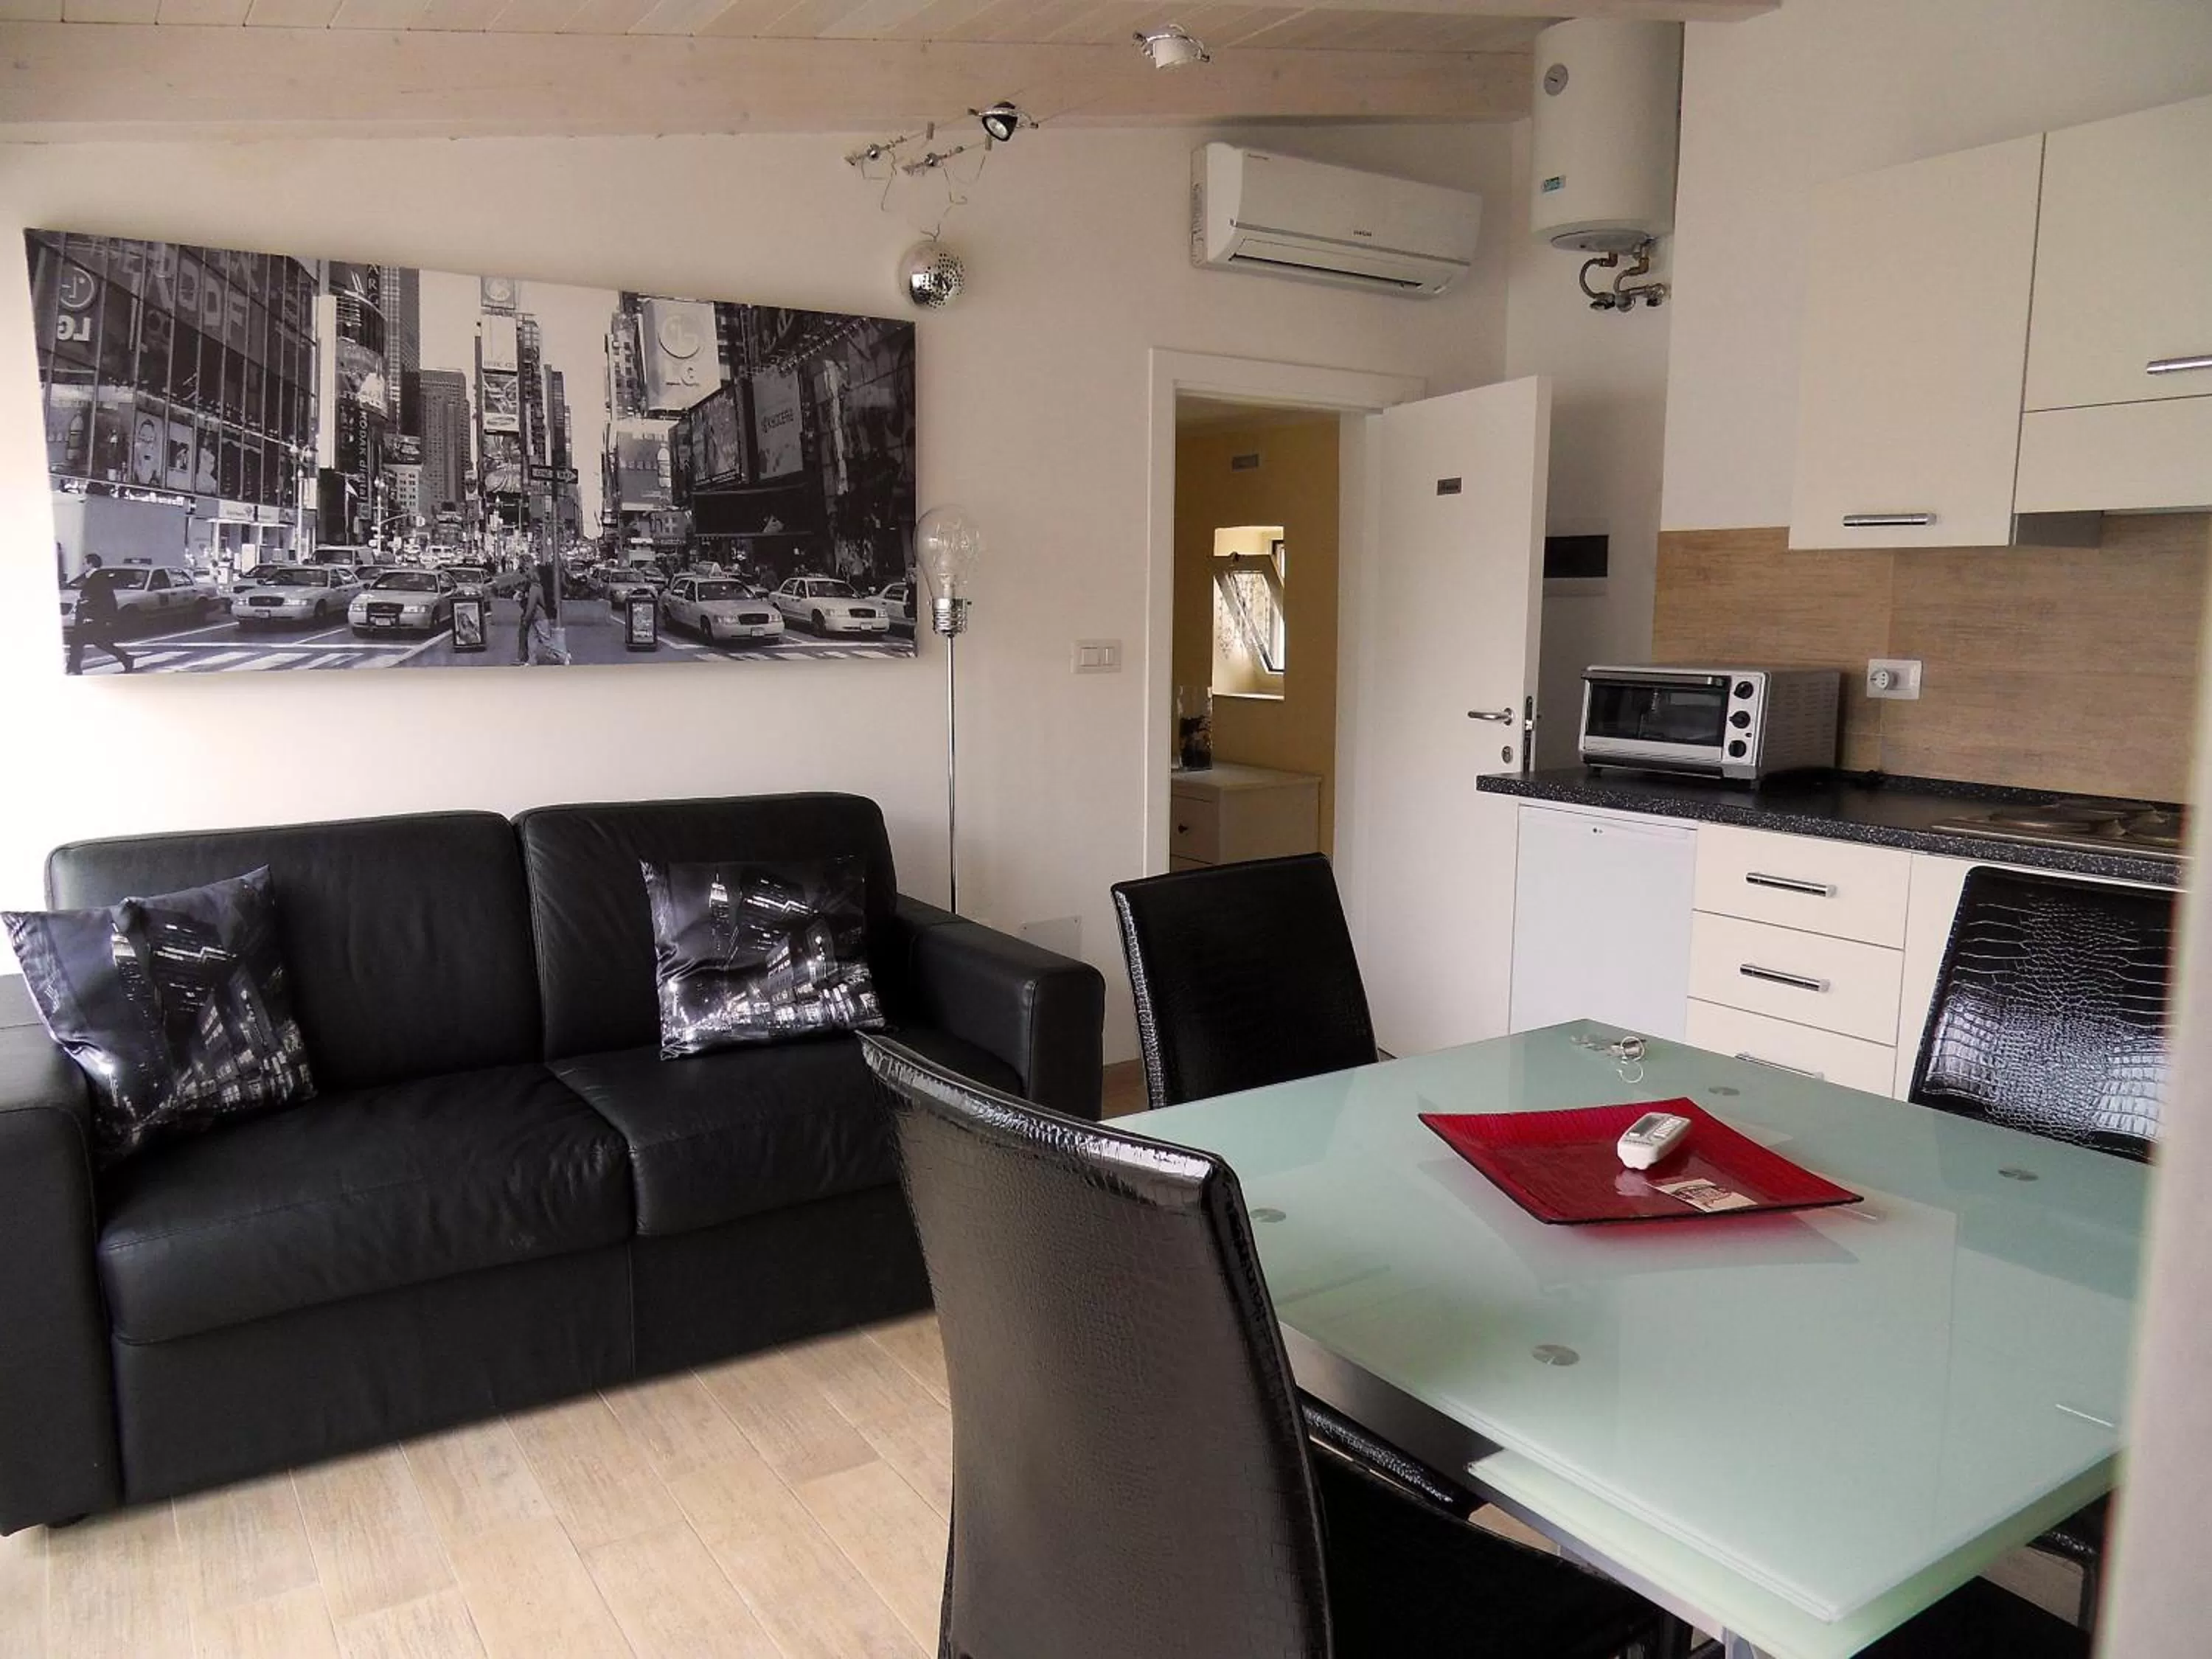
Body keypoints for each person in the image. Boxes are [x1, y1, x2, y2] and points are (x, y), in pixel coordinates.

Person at [66, 554, 136, 675]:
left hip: (93, 617)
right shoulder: (94, 577)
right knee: (93, 641)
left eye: (85, 563)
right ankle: (74, 667)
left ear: (91, 564)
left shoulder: (98, 578)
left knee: (84, 641)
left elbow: (105, 599)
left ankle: (74, 667)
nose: (84, 566)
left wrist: (90, 611)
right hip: (91, 616)